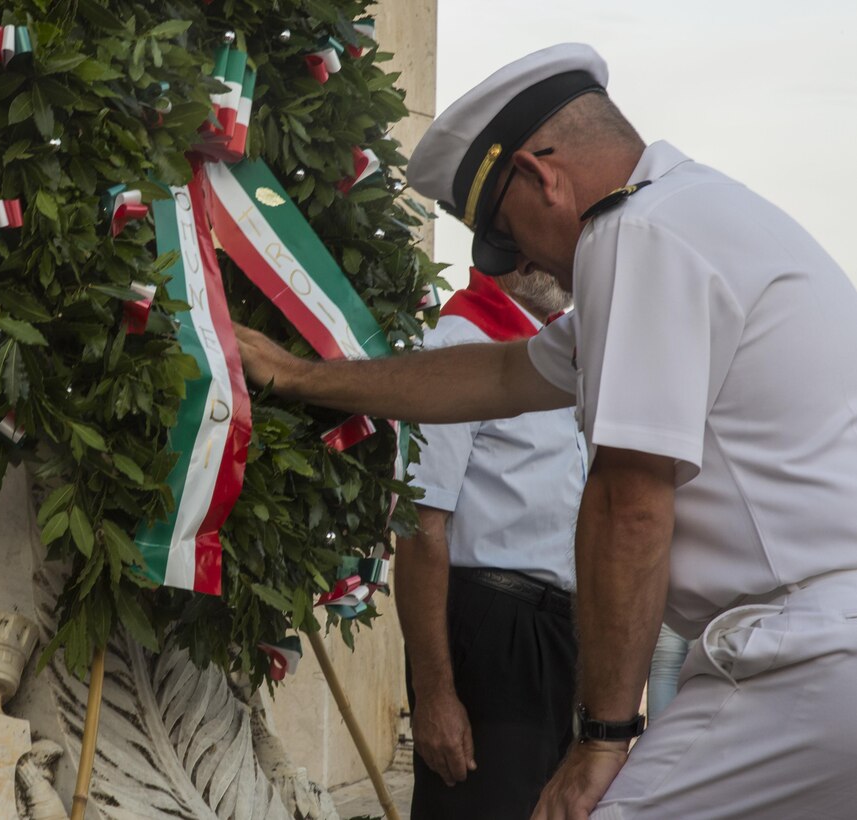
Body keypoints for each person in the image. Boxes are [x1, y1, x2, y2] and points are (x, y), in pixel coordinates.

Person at [235, 42, 857, 818]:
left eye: (504, 232)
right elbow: (497, 375)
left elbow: (628, 502)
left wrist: (600, 738)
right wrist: (299, 376)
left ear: (538, 175)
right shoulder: (693, 217)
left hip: (800, 653)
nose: (515, 261)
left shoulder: (637, 234)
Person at [397, 266, 585, 820]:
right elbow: (419, 529)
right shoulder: (459, 341)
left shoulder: (555, 351)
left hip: (559, 635)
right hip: (492, 628)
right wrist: (434, 695)